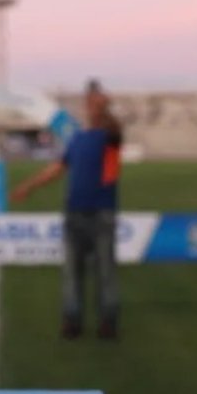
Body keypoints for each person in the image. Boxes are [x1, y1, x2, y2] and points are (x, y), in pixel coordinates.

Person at [11, 81, 123, 340]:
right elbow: (57, 168)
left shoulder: (110, 137)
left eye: (95, 103)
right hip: (75, 214)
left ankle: (108, 322)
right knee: (72, 272)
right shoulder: (78, 139)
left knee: (105, 271)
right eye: (89, 103)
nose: (90, 107)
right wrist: (29, 186)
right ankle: (72, 321)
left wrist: (103, 107)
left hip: (102, 214)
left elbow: (113, 126)